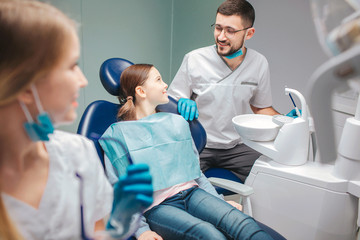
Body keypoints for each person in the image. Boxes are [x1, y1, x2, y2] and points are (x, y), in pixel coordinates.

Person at [0, 1, 153, 239]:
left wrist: (119, 219)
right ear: (26, 85)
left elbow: (98, 233)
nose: (82, 81)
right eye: (72, 66)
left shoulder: (76, 153)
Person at [99, 64, 274, 240]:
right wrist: (141, 230)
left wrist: (220, 203)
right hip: (157, 207)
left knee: (243, 222)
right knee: (210, 235)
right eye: (159, 79)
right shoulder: (117, 135)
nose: (165, 85)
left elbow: (195, 173)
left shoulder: (177, 123)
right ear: (141, 91)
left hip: (193, 193)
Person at [167, 0, 299, 183]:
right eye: (218, 28)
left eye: (230, 30)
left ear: (249, 33)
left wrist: (284, 120)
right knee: (178, 186)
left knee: (275, 173)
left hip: (237, 147)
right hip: (198, 144)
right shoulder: (194, 59)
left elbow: (261, 108)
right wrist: (180, 102)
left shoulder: (259, 63)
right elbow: (170, 102)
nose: (221, 36)